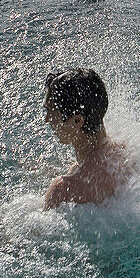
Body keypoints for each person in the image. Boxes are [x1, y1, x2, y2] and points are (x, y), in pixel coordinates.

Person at [43, 69, 135, 209]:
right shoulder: (129, 156)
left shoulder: (64, 190)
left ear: (77, 121)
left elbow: (37, 231)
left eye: (51, 111)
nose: (47, 119)